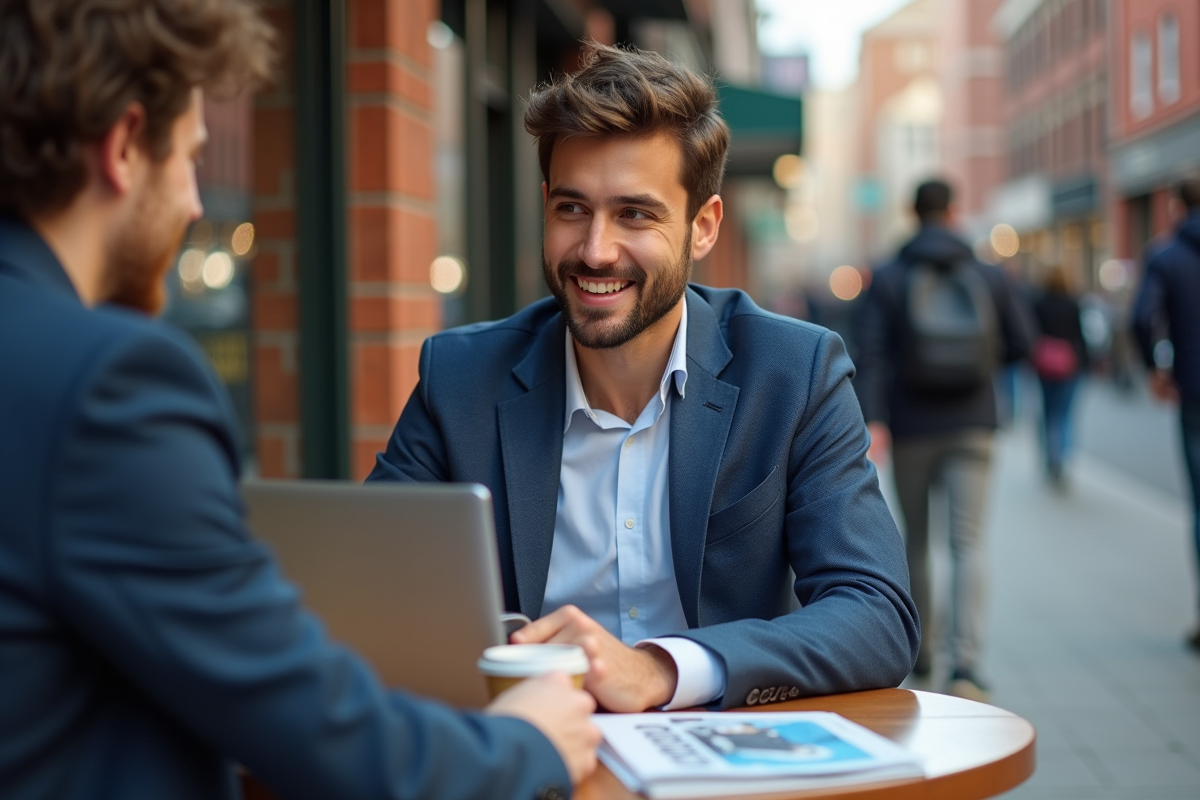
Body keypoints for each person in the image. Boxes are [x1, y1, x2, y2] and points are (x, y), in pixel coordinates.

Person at [0, 2, 599, 799]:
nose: (193, 203)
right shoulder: (108, 382)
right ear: (122, 148)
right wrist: (522, 742)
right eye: (189, 158)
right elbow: (318, 730)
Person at [368, 42, 920, 713]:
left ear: (704, 226)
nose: (595, 250)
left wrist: (662, 669)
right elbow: (371, 596)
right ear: (545, 206)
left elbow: (877, 615)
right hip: (528, 757)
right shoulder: (459, 378)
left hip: (719, 763)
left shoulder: (794, 372)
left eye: (635, 213)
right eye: (572, 209)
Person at [855, 179, 1033, 702]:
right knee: (968, 542)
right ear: (954, 212)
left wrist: (875, 419)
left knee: (917, 543)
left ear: (913, 214)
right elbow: (1022, 342)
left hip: (910, 427)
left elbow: (871, 352)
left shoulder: (888, 275)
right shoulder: (987, 273)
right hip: (975, 423)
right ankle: (967, 665)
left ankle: (921, 651)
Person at [1131, 177, 1200, 653]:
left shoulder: (1167, 255)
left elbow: (1141, 318)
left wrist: (1156, 368)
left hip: (1193, 389)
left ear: (1177, 206)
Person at [1031, 266, 1089, 489]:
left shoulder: (1039, 302)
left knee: (1048, 413)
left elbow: (1032, 333)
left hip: (1045, 364)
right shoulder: (1073, 303)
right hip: (1069, 365)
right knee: (1064, 415)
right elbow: (1080, 335)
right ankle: (1062, 458)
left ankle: (1051, 458)